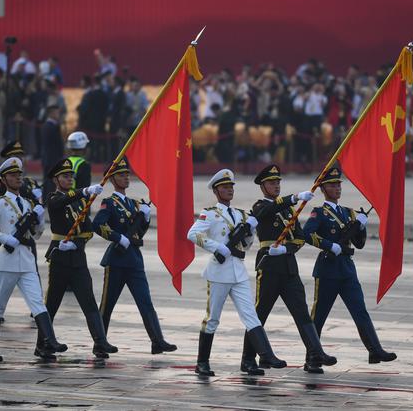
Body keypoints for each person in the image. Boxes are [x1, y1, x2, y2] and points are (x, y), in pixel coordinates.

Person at [187, 169, 286, 376]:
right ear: (216, 191)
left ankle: (264, 355)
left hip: (238, 271)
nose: (229, 190)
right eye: (225, 187)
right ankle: (202, 362)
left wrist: (248, 231)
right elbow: (192, 234)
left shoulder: (241, 214)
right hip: (219, 272)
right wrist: (217, 247)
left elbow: (247, 244)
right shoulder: (211, 213)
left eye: (231, 186)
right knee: (212, 318)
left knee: (251, 315)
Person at [303, 167, 397, 364]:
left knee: (359, 310)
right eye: (332, 185)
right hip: (328, 268)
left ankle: (375, 349)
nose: (337, 188)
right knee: (319, 315)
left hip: (346, 268)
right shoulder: (319, 213)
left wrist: (360, 226)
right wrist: (330, 245)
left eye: (338, 184)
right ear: (323, 188)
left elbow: (359, 244)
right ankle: (312, 357)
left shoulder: (348, 213)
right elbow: (307, 235)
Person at [0, 157, 66, 361]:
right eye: (13, 175)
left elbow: (35, 235)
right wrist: (5, 237)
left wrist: (39, 219)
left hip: (26, 260)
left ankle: (49, 340)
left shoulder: (27, 203)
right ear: (4, 179)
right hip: (7, 262)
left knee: (37, 303)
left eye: (19, 175)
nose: (18, 178)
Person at [250, 164, 337, 373]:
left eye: (278, 182)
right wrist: (293, 198)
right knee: (259, 315)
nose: (276, 186)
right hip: (268, 266)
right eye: (272, 183)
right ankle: (249, 358)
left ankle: (316, 352)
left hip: (288, 267)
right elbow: (268, 211)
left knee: (302, 312)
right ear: (263, 186)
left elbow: (299, 237)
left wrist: (286, 249)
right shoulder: (259, 206)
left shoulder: (289, 210)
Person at [93, 158, 176, 354]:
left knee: (145, 301)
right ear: (112, 179)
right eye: (121, 175)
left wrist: (145, 219)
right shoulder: (109, 203)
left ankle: (158, 341)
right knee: (107, 304)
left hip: (134, 260)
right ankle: (99, 342)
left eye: (127, 174)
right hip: (116, 260)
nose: (126, 178)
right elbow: (97, 225)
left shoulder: (133, 204)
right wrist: (117, 237)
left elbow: (138, 234)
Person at [40, 158, 117, 358]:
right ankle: (43, 344)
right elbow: (59, 203)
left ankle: (100, 342)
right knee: (52, 304)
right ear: (56, 180)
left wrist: (78, 243)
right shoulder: (53, 198)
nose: (69, 180)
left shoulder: (80, 202)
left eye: (71, 177)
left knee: (89, 302)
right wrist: (83, 191)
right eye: (65, 177)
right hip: (59, 259)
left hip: (77, 259)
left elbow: (88, 229)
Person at [40, 104, 65, 198]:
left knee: (50, 180)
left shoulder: (53, 125)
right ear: (51, 113)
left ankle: (48, 198)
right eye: (57, 112)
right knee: (49, 181)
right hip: (51, 158)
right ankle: (48, 199)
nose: (58, 115)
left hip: (52, 158)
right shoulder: (48, 126)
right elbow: (52, 144)